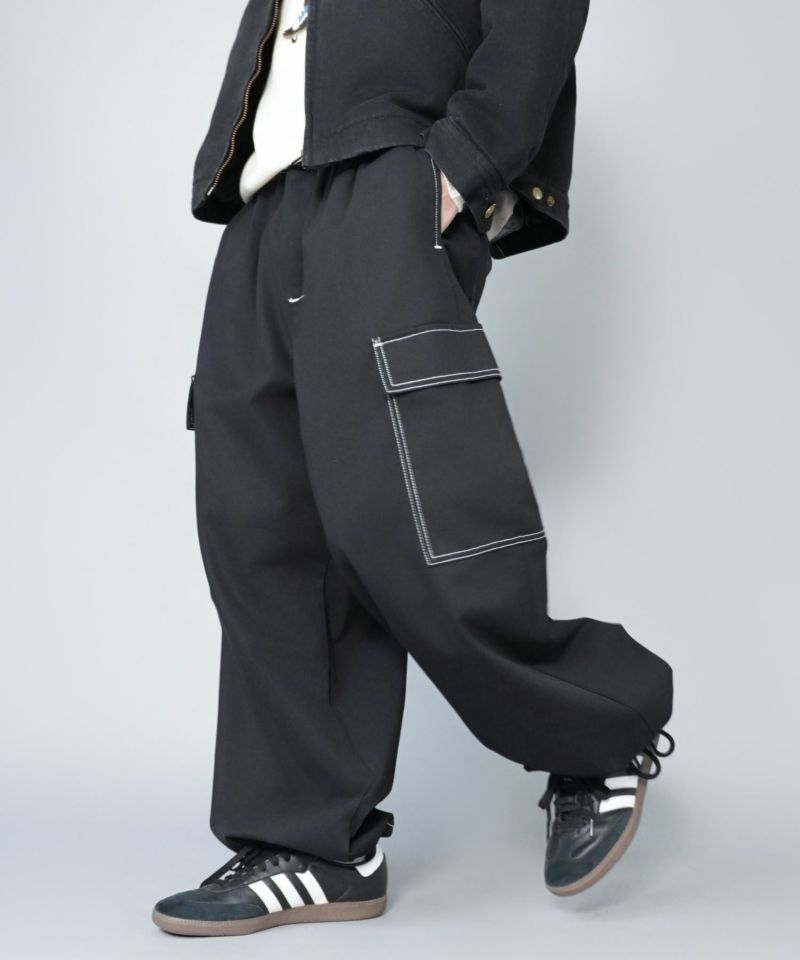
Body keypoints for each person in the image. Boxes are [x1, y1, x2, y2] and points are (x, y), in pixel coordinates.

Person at [152, 0, 675, 937]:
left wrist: (463, 162)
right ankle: (315, 843)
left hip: (389, 171)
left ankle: (598, 730)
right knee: (260, 527)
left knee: (407, 508)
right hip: (266, 198)